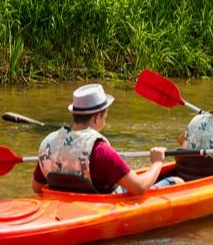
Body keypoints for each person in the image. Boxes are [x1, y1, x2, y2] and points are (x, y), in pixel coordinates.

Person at [32, 84, 183, 195]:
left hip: (67, 207)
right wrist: (157, 162)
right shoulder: (100, 150)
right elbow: (139, 187)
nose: (104, 122)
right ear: (97, 117)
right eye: (104, 117)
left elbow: (37, 187)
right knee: (177, 181)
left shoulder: (49, 143)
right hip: (100, 206)